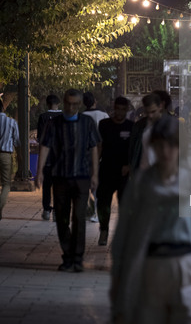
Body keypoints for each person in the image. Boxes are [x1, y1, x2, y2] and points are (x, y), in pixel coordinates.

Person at [111, 116, 191, 323]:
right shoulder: (140, 184)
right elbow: (123, 234)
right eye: (160, 146)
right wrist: (118, 280)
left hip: (185, 266)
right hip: (149, 266)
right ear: (152, 147)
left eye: (172, 145)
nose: (166, 152)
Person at [36, 89, 100, 272]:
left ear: (79, 105)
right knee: (62, 218)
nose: (71, 107)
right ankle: (68, 256)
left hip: (81, 176)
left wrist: (95, 174)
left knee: (79, 218)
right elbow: (45, 146)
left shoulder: (87, 123)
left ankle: (78, 257)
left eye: (74, 104)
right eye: (68, 103)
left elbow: (94, 148)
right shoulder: (55, 123)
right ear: (64, 103)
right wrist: (39, 172)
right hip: (61, 176)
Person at [97, 96, 133, 246]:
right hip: (106, 169)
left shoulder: (132, 127)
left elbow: (135, 149)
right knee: (103, 203)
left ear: (127, 110)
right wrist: (94, 168)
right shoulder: (104, 125)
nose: (120, 112)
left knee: (125, 204)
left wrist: (130, 166)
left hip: (125, 173)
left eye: (123, 109)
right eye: (117, 109)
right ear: (114, 108)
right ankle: (104, 230)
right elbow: (99, 146)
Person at [83, 91, 109, 223]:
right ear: (95, 102)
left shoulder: (81, 116)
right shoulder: (103, 115)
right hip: (101, 154)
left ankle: (90, 210)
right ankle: (96, 212)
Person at [36, 94, 62, 221]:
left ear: (47, 104)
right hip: (61, 159)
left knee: (47, 185)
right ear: (59, 103)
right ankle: (57, 212)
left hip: (47, 158)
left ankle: (46, 210)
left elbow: (40, 140)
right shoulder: (64, 117)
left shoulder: (43, 117)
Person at [128, 92, 166, 174]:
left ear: (160, 107)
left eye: (153, 112)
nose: (150, 115)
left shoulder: (169, 126)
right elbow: (132, 149)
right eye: (147, 112)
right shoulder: (139, 126)